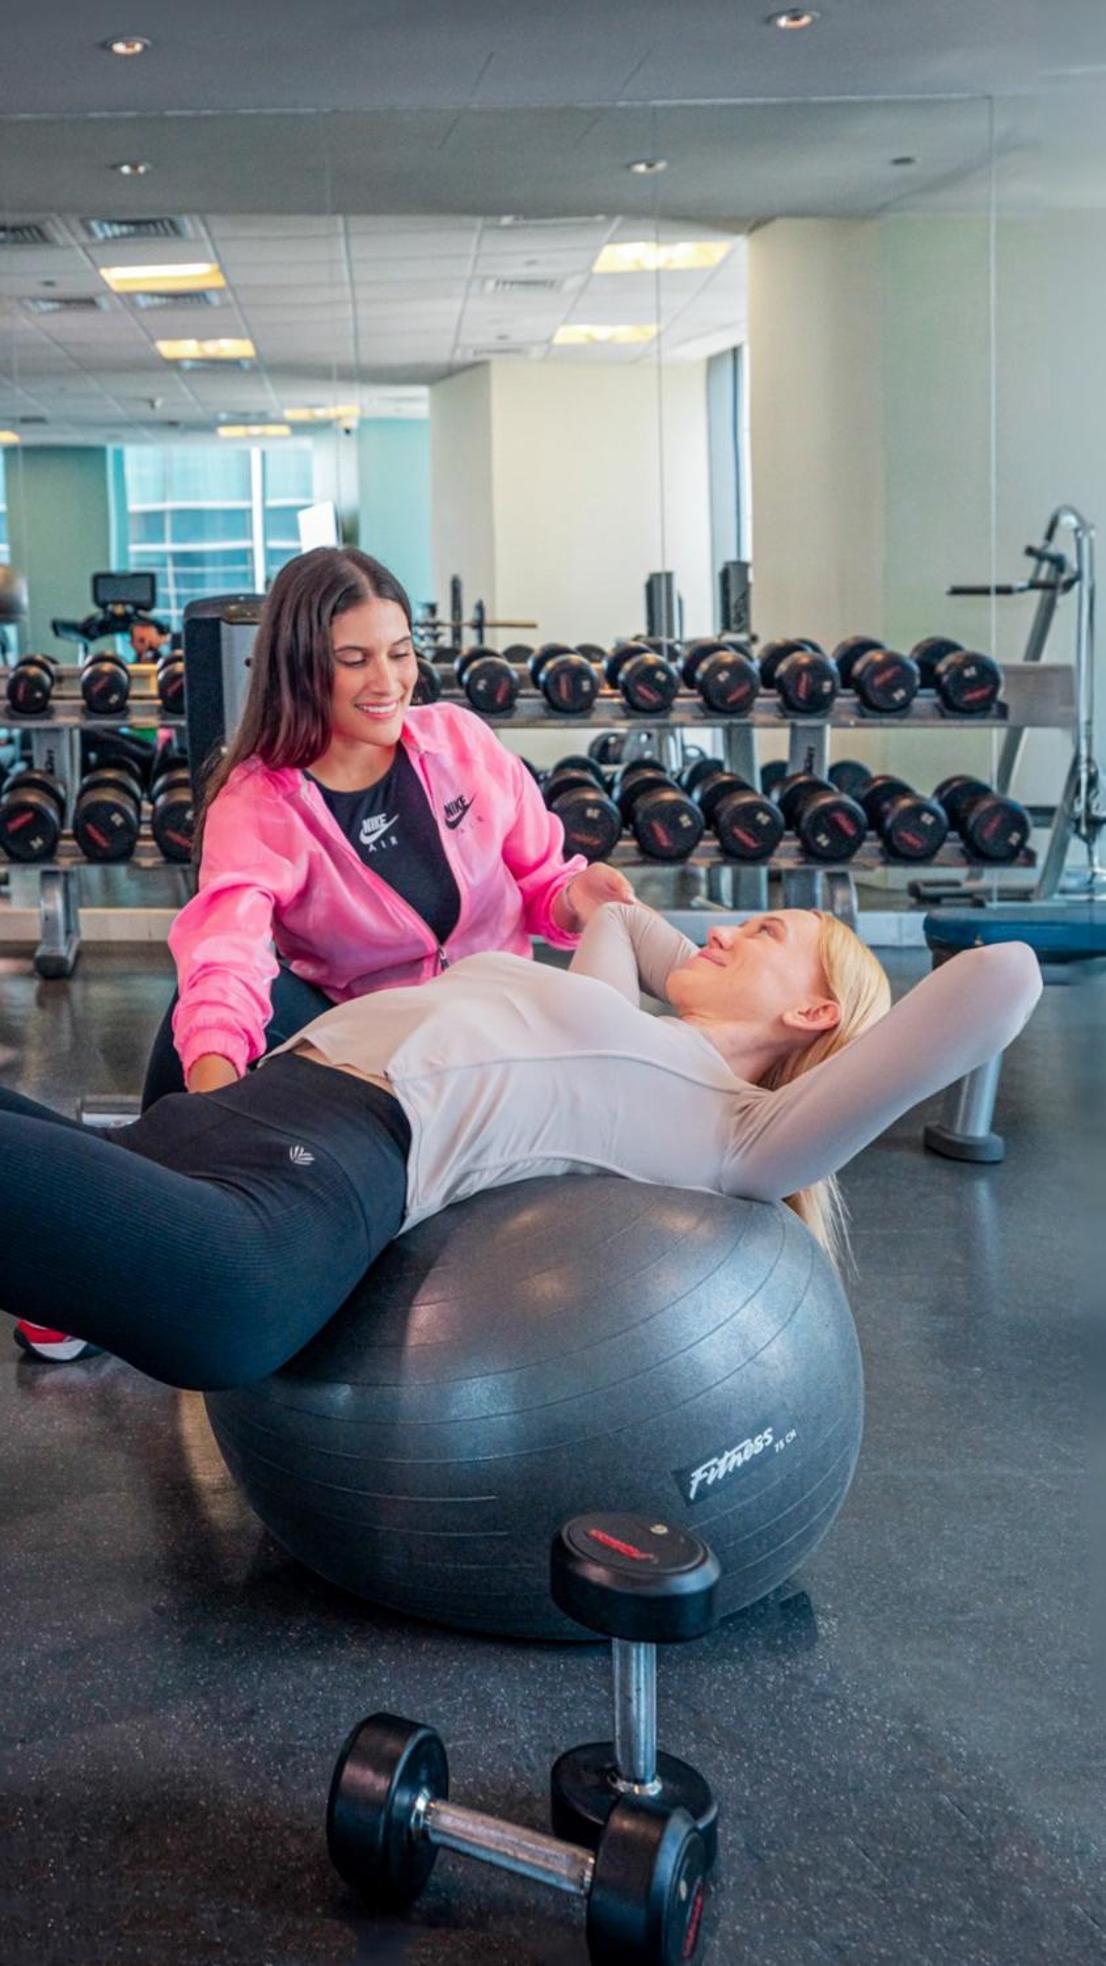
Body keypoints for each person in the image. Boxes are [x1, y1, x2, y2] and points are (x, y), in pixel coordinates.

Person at [0, 904, 1041, 1391]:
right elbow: (626, 925)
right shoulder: (598, 1007)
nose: (718, 930)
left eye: (759, 932)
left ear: (815, 1008)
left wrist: (822, 1023)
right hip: (217, 1120)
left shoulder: (738, 1131)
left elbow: (1004, 977)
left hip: (282, 1216)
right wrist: (714, 972)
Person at [15, 545, 631, 1360]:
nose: (389, 681)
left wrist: (579, 898)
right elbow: (227, 954)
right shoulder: (262, 799)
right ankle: (132, 1222)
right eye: (355, 659)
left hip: (488, 1036)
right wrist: (214, 1105)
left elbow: (543, 881)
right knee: (203, 1018)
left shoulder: (461, 745)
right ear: (303, 667)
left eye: (401, 652)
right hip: (358, 1043)